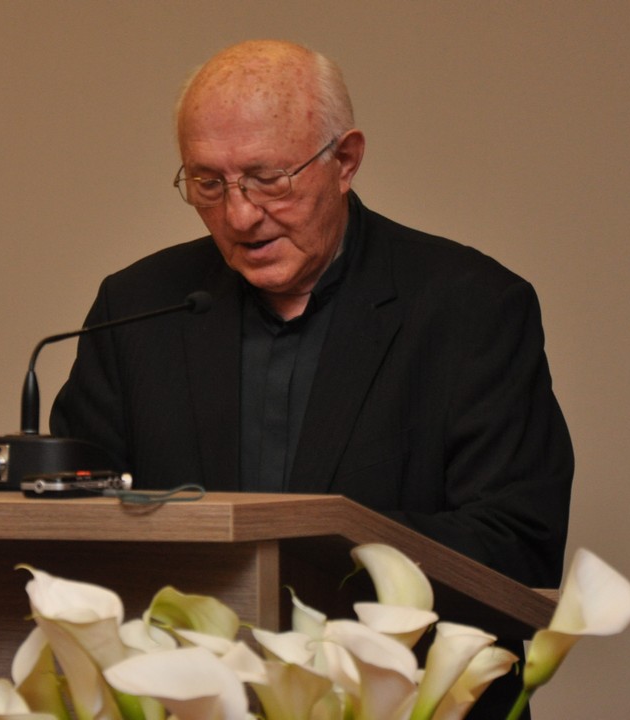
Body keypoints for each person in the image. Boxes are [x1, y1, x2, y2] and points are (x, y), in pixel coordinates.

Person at [50, 41, 572, 713]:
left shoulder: (473, 308)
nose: (239, 215)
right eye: (208, 184)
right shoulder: (137, 307)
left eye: (268, 179)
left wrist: (310, 555)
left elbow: (517, 549)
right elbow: (72, 531)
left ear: (345, 160)